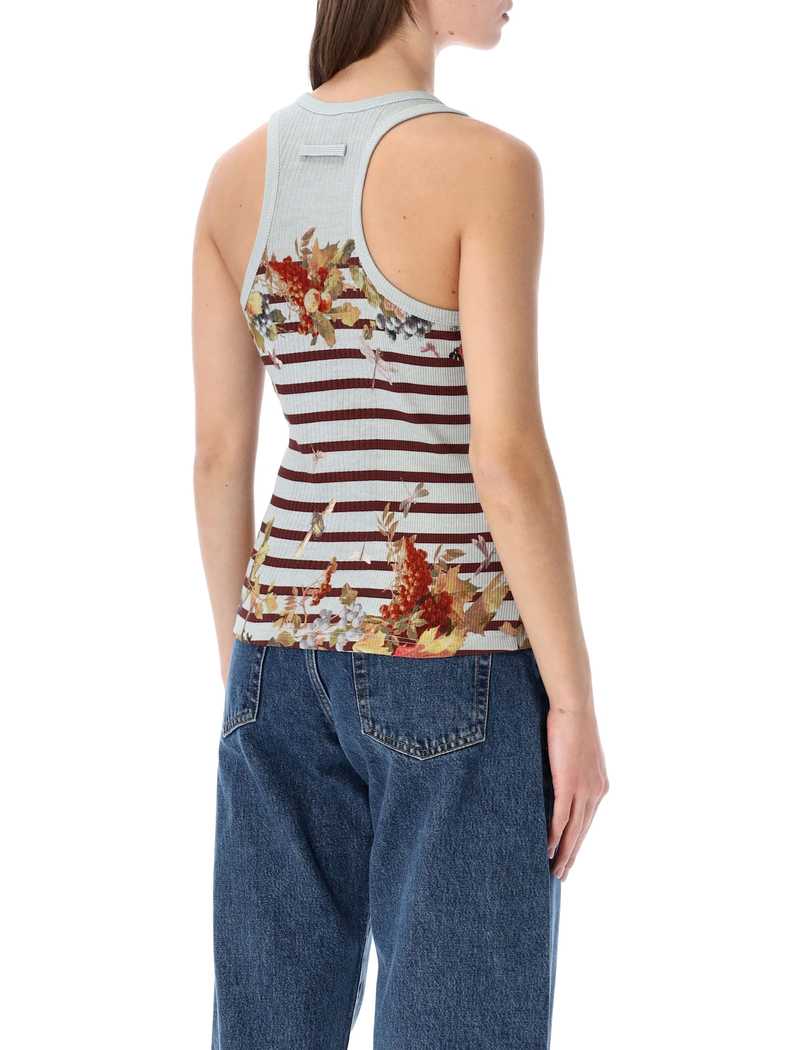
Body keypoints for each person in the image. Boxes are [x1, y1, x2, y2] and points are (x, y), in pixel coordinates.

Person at [193, 2, 608, 1047]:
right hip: (452, 660)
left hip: (274, 655)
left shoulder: (235, 178)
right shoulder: (488, 168)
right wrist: (571, 703)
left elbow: (217, 458)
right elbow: (506, 460)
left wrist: (248, 673)